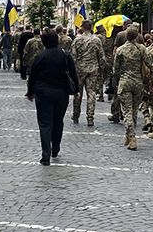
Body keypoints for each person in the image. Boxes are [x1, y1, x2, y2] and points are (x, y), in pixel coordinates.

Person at [26, 29, 79, 165]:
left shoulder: (40, 57)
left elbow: (32, 77)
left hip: (43, 93)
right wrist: (76, 90)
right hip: (61, 93)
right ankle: (55, 148)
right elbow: (73, 74)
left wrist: (30, 92)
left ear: (43, 42)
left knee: (45, 123)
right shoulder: (65, 55)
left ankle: (46, 155)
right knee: (58, 121)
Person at [113, 28, 150, 150]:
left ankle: (132, 137)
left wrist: (115, 82)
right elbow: (150, 65)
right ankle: (128, 136)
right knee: (134, 111)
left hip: (125, 82)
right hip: (138, 82)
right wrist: (152, 80)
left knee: (127, 111)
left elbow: (116, 69)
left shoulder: (120, 50)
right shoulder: (142, 48)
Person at [70, 20, 105, 126]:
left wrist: (71, 70)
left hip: (79, 69)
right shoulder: (96, 40)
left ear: (83, 27)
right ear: (91, 27)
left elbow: (72, 56)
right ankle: (90, 117)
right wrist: (101, 69)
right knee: (91, 93)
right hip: (93, 69)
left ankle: (76, 115)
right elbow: (101, 57)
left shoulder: (77, 39)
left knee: (78, 93)